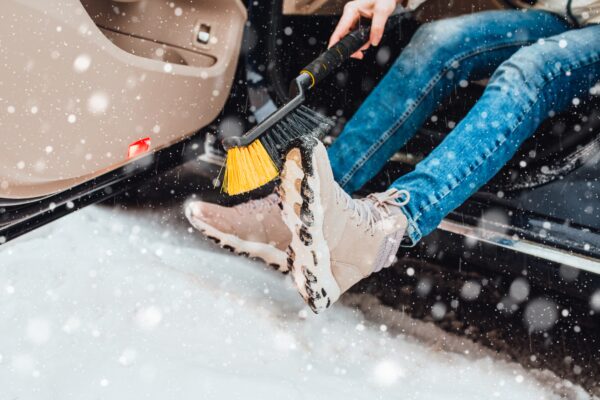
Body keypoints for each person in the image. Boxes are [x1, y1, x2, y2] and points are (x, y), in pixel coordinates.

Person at [186, 0, 600, 313]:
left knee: (529, 71)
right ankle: (295, 213)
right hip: (564, 10)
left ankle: (383, 229)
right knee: (437, 41)